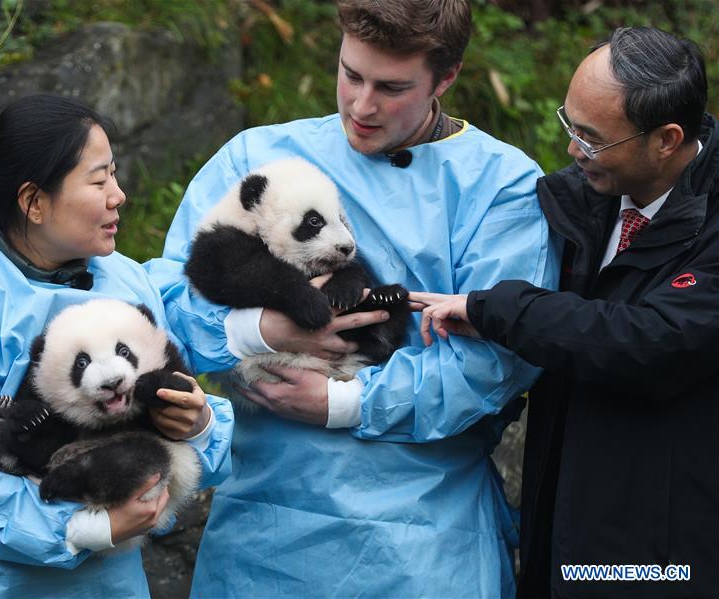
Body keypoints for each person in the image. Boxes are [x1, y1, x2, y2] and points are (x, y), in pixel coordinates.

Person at [145, 1, 559, 596]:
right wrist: (262, 329)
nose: (362, 106)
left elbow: (495, 360)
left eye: (392, 87)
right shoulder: (258, 160)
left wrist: (345, 402)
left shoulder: (501, 190)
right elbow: (167, 311)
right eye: (351, 74)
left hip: (421, 542)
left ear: (447, 78)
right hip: (265, 532)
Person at [0, 94, 234, 598]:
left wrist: (198, 425)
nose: (119, 196)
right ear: (34, 202)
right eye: (99, 180)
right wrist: (86, 529)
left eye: (115, 174)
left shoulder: (125, 280)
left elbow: (186, 424)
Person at [415, 27, 717, 598]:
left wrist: (497, 308)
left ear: (667, 140)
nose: (573, 150)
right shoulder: (583, 202)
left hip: (662, 562)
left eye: (592, 138)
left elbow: (648, 340)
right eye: (569, 123)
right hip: (564, 528)